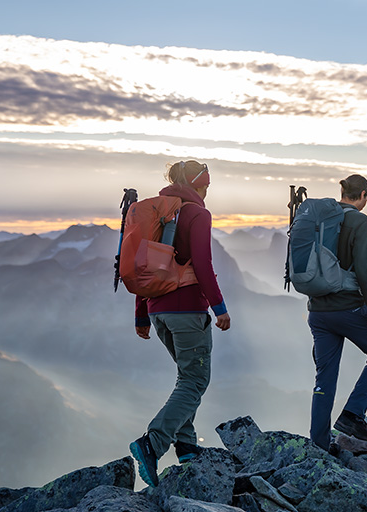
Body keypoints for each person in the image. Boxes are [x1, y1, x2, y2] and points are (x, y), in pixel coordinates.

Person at [130, 160, 231, 488]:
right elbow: (202, 262)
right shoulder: (198, 214)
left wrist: (141, 312)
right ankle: (153, 444)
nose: (207, 192)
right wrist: (219, 307)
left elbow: (145, 263)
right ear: (199, 185)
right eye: (206, 186)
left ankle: (186, 447)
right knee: (195, 380)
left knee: (186, 377)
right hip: (187, 310)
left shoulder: (161, 212)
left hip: (158, 311)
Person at [307, 174, 367, 450]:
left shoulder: (320, 220)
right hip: (349, 309)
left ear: (342, 192)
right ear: (365, 195)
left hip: (318, 310)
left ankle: (319, 444)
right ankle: (352, 415)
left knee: (325, 377)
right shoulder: (359, 221)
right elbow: (364, 272)